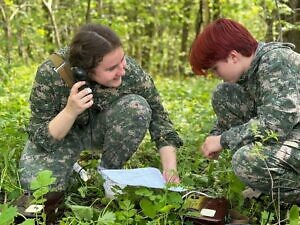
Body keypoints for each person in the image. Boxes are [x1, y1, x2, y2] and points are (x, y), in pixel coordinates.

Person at [19, 23, 183, 192]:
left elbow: (160, 119)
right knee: (37, 185)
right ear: (84, 71)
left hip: (100, 130)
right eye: (112, 68)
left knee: (137, 107)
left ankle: (109, 175)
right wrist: (70, 111)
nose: (123, 70)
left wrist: (170, 170)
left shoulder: (129, 70)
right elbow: (41, 137)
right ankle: (74, 168)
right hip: (63, 135)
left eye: (123, 59)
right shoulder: (51, 72)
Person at [189, 18, 299, 204]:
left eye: (216, 69)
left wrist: (224, 140)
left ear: (233, 56)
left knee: (245, 160)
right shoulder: (251, 70)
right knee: (224, 94)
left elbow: (275, 124)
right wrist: (215, 137)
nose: (216, 75)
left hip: (288, 129)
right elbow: (244, 110)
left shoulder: (275, 62)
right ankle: (268, 181)